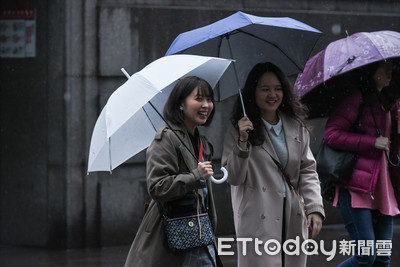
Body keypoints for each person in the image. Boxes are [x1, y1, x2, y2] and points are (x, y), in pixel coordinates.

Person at [221, 62, 325, 266]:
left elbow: (307, 170)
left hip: (292, 215)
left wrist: (314, 208)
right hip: (259, 217)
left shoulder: (296, 126)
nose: (272, 95)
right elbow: (233, 176)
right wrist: (242, 141)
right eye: (265, 89)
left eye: (278, 89)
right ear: (253, 92)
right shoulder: (240, 130)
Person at [124, 76, 222, 267]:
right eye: (199, 98)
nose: (206, 105)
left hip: (201, 233)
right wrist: (195, 176)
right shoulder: (166, 139)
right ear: (180, 104)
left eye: (209, 99)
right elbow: (157, 187)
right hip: (172, 234)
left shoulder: (203, 143)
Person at [324, 59, 400, 266]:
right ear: (370, 70)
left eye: (390, 65)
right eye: (382, 65)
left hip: (383, 189)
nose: (389, 70)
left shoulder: (390, 101)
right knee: (366, 255)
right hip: (357, 188)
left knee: (383, 258)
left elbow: (393, 148)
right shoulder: (357, 98)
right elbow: (331, 134)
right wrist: (372, 142)